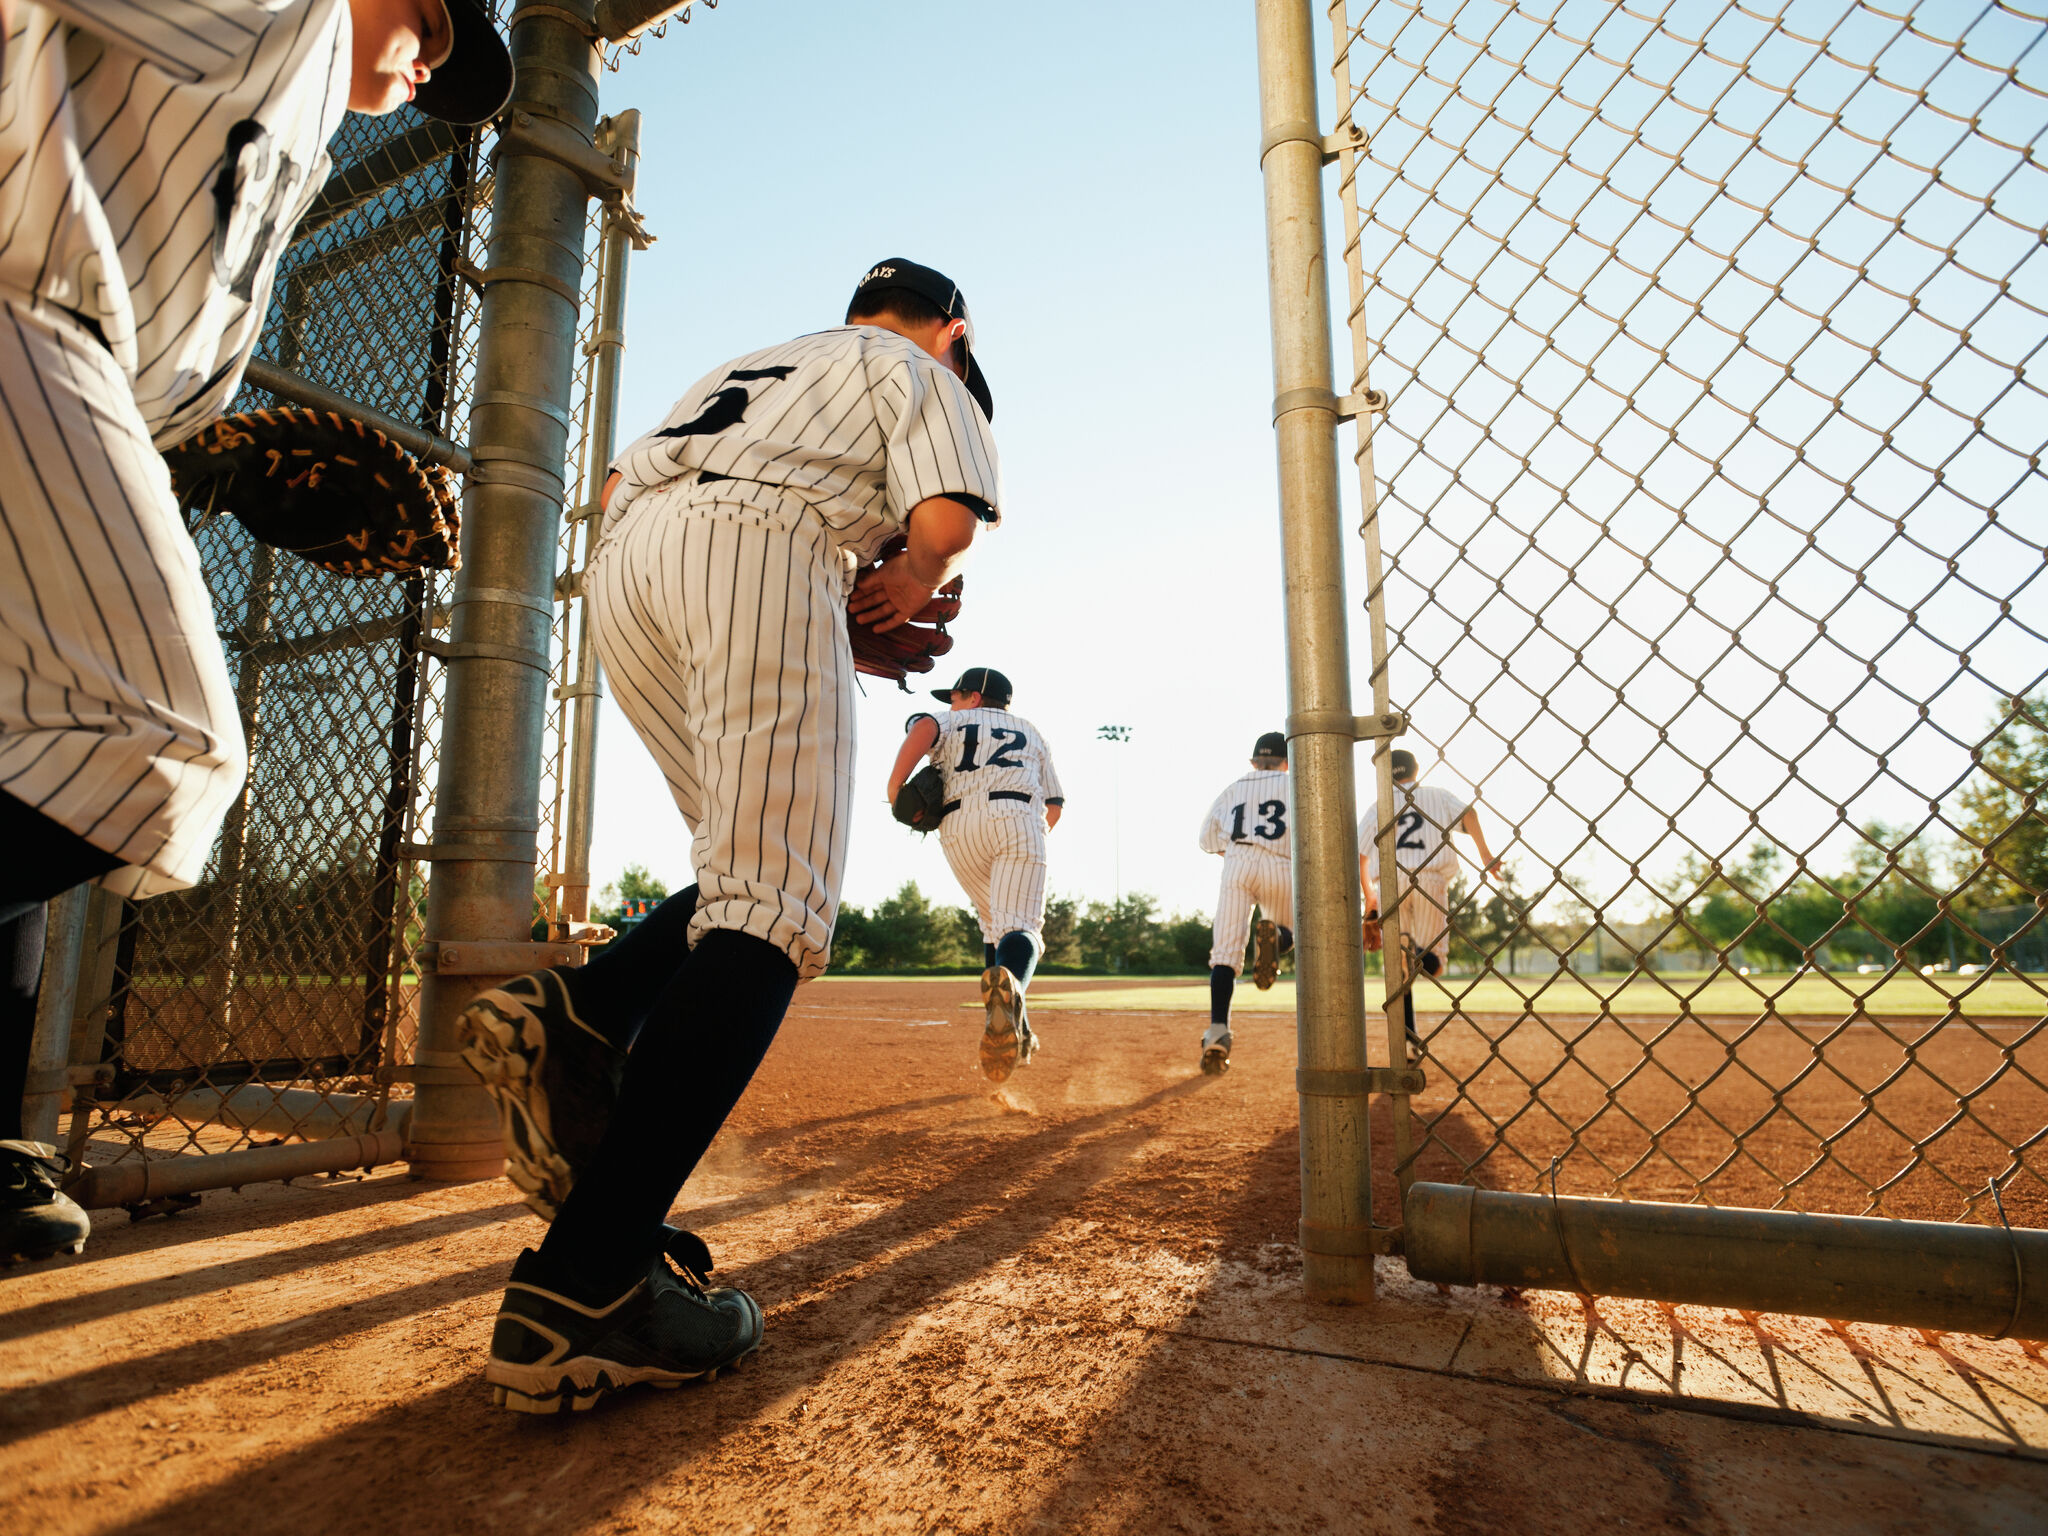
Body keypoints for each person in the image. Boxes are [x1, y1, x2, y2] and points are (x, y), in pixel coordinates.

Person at [0, 0, 512, 1266]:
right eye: (435, 18)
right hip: (24, 313)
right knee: (152, 737)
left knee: (26, 734)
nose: (428, 54)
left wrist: (200, 459)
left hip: (76, 365)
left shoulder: (301, 123)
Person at [459, 257, 1003, 1413]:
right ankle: (590, 1280)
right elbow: (943, 525)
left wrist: (812, 609)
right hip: (760, 546)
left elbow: (622, 495)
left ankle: (587, 1012)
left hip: (629, 566)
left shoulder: (752, 363)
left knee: (735, 879)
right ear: (949, 329)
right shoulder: (924, 364)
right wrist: (902, 580)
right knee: (772, 908)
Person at [885, 666, 1063, 1084]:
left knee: (994, 928)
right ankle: (1013, 999)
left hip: (959, 827)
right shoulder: (1031, 732)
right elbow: (1054, 803)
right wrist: (1031, 840)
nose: (951, 703)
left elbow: (923, 725)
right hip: (1018, 815)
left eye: (956, 695)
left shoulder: (951, 720)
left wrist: (895, 788)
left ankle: (1018, 1028)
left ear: (975, 697)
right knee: (1021, 930)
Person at [1359, 748, 1500, 1062]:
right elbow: (1470, 814)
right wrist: (1485, 855)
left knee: (1398, 970)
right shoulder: (1436, 794)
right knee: (1434, 962)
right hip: (1430, 879)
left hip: (1389, 884)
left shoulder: (1379, 805)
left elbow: (1362, 856)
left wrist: (1370, 901)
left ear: (1385, 775)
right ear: (1416, 769)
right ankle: (1423, 956)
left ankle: (1408, 1038)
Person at [1194, 731, 1294, 1075]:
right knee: (1293, 928)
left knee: (1224, 953)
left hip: (1237, 865)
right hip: (1283, 864)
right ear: (1287, 761)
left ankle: (1218, 1031)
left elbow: (1207, 838)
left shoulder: (1235, 786)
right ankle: (1277, 940)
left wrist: (1237, 853)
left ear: (1254, 762)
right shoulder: (1294, 784)